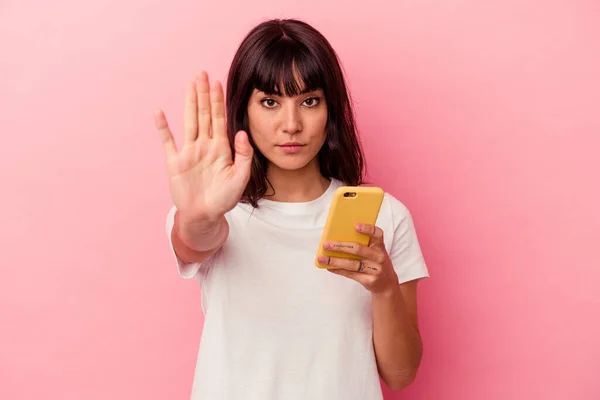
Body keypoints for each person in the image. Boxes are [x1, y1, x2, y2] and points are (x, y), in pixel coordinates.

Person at [154, 18, 429, 400]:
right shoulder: (215, 211)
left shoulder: (387, 216)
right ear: (244, 110)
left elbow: (401, 374)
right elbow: (195, 238)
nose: (291, 124)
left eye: (309, 101)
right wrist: (200, 216)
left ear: (331, 109)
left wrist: (384, 290)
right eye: (270, 102)